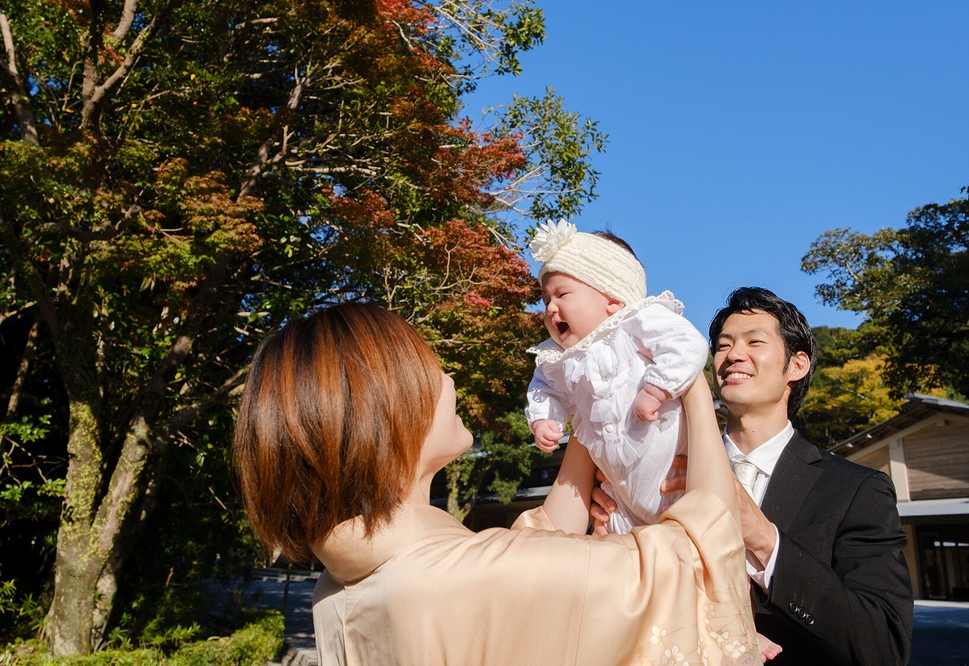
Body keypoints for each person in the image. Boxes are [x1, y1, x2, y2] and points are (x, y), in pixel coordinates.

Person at [233, 302, 781, 665]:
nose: (448, 380)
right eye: (429, 370)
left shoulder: (345, 582)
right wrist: (683, 383)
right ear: (385, 413)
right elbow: (700, 549)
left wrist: (592, 406)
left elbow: (539, 537)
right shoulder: (473, 577)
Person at [593, 287, 914, 666]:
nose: (734, 356)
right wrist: (608, 550)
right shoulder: (655, 473)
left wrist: (763, 538)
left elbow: (883, 645)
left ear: (797, 365)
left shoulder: (856, 490)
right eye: (724, 346)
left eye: (754, 341)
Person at [525, 219, 709, 533]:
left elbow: (686, 342)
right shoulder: (559, 359)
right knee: (610, 535)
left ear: (612, 300)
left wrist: (657, 389)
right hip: (618, 496)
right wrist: (545, 420)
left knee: (689, 543)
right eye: (545, 300)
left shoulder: (637, 324)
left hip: (675, 482)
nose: (550, 308)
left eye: (562, 294)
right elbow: (544, 387)